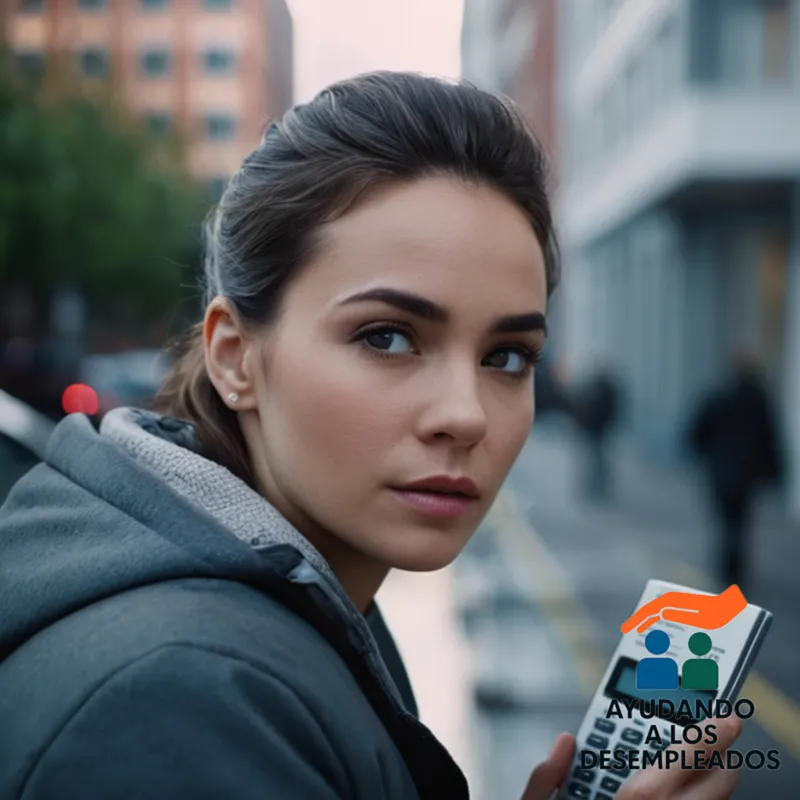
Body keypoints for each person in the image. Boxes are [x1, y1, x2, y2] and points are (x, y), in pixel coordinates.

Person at [0, 72, 741, 799]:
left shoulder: (280, 608)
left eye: (506, 357)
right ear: (234, 356)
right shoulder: (182, 700)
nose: (466, 414)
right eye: (387, 338)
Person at [688, 349, 783, 593]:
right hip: (747, 474)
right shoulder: (758, 398)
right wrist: (774, 472)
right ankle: (737, 571)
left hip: (721, 472)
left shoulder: (718, 395)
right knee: (741, 523)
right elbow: (770, 437)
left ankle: (725, 569)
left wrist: (708, 457)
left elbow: (696, 431)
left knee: (724, 521)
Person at [572, 364, 621, 501]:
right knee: (591, 460)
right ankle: (591, 488)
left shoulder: (605, 389)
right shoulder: (591, 388)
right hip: (590, 429)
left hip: (598, 430)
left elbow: (610, 411)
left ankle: (598, 488)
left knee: (597, 461)